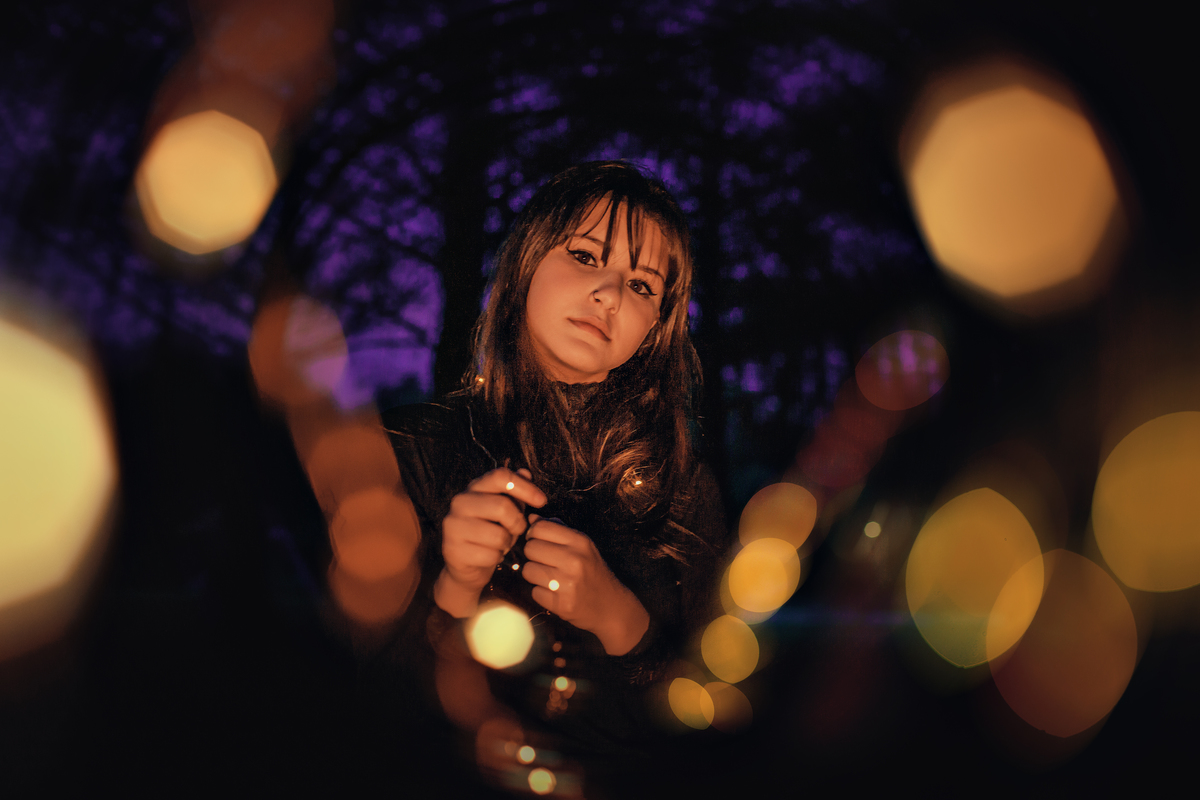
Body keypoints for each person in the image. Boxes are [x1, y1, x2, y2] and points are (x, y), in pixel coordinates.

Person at [381, 161, 730, 789]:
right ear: (527, 263)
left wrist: (624, 623)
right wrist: (455, 584)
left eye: (642, 285)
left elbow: (708, 730)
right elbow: (367, 712)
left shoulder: (683, 488)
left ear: (655, 329)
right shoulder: (414, 450)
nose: (611, 294)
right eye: (586, 256)